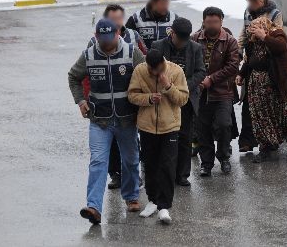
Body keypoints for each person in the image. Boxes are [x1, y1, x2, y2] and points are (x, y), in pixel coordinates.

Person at [68, 18, 145, 225]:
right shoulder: (89, 54)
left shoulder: (131, 52)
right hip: (99, 120)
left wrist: (142, 102)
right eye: (101, 39)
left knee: (130, 160)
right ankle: (94, 207)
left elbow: (146, 75)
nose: (105, 43)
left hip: (127, 119)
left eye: (109, 38)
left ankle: (131, 196)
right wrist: (81, 101)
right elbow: (73, 76)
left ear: (117, 34)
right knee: (98, 162)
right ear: (96, 36)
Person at [88, 4, 147, 190]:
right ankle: (115, 175)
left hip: (128, 103)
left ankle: (133, 180)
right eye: (112, 18)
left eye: (119, 18)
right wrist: (85, 99)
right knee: (109, 147)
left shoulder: (133, 37)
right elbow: (86, 73)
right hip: (104, 107)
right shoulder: (93, 43)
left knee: (131, 146)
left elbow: (144, 64)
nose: (116, 22)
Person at [128, 49, 189, 224]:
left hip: (170, 126)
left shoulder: (176, 71)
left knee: (168, 166)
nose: (155, 74)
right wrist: (147, 98)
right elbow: (132, 95)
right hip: (147, 127)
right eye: (152, 70)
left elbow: (183, 99)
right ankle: (153, 200)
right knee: (151, 165)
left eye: (159, 70)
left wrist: (168, 86)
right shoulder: (140, 70)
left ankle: (164, 207)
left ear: (163, 62)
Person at [237, 17, 287, 162]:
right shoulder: (253, 41)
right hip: (258, 86)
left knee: (286, 116)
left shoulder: (277, 34)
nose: (251, 31)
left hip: (279, 83)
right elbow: (249, 60)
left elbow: (281, 48)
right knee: (261, 117)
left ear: (264, 26)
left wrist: (264, 37)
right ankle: (266, 147)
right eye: (251, 28)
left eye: (255, 28)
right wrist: (241, 74)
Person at [152, 17, 206, 187]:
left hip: (185, 100)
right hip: (164, 99)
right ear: (172, 33)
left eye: (185, 40)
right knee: (164, 138)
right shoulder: (158, 46)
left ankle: (182, 175)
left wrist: (182, 87)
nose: (182, 44)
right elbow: (150, 69)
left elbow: (200, 72)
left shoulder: (195, 48)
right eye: (179, 39)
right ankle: (163, 172)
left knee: (184, 138)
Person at [191, 7, 239, 177]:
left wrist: (211, 79)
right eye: (209, 22)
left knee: (224, 125)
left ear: (221, 22)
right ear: (203, 21)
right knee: (202, 129)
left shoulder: (230, 41)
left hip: (222, 92)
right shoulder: (194, 39)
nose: (212, 25)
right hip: (200, 93)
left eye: (215, 22)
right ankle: (206, 163)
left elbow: (233, 66)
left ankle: (224, 157)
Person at [237, 0, 283, 152]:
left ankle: (270, 140)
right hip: (251, 62)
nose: (250, 4)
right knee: (249, 103)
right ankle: (247, 141)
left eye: (253, 1)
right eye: (248, 1)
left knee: (268, 105)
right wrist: (238, 51)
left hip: (268, 62)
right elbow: (243, 33)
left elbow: (278, 35)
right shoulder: (247, 13)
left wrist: (262, 35)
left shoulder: (274, 13)